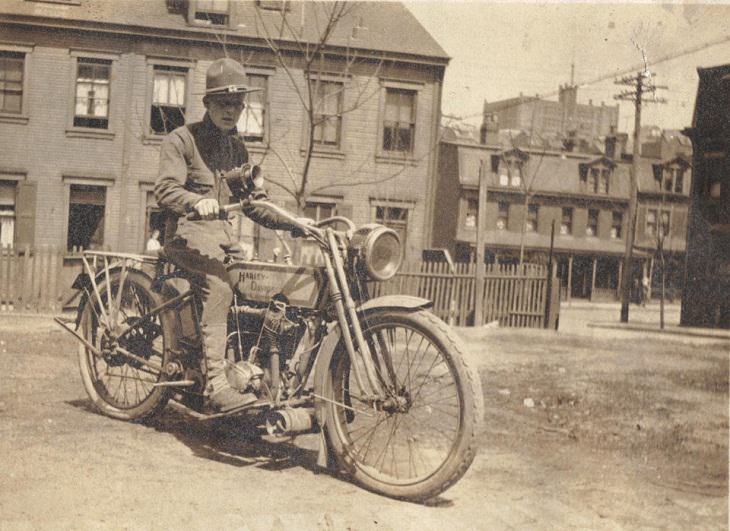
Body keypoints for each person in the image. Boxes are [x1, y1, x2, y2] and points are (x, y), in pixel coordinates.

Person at [155, 58, 303, 412]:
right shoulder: (182, 140)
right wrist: (197, 202)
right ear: (207, 103)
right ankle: (217, 386)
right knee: (220, 286)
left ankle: (262, 377)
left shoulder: (238, 150)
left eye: (237, 103)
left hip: (222, 242)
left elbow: (254, 204)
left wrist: (295, 222)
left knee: (267, 286)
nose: (231, 110)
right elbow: (165, 190)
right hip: (185, 239)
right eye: (223, 102)